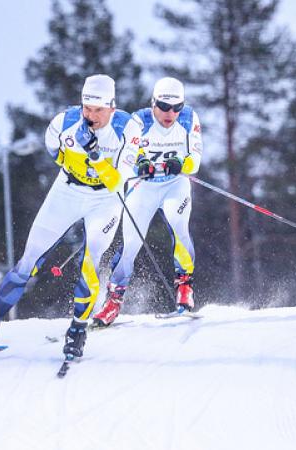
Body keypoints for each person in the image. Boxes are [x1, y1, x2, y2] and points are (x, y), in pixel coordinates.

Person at [0, 74, 143, 359]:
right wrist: (78, 165)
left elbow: (118, 184)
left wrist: (94, 156)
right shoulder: (64, 123)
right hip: (67, 191)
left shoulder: (128, 129)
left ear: (112, 107)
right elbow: (55, 153)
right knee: (27, 261)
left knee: (90, 264)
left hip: (105, 200)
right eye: (87, 108)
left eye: (98, 110)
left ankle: (78, 329)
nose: (91, 116)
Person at [93, 77, 203, 327]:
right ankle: (113, 301)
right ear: (153, 103)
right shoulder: (138, 121)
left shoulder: (188, 118)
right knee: (131, 244)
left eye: (177, 107)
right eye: (164, 106)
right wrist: (139, 165)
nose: (171, 113)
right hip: (144, 188)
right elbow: (127, 159)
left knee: (179, 225)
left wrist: (180, 164)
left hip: (175, 185)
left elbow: (195, 159)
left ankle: (184, 286)